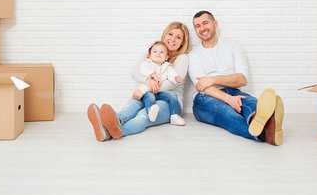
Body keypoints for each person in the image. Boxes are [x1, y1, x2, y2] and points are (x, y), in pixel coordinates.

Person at [188, 10, 284, 145]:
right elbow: (203, 87)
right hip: (205, 99)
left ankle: (265, 121)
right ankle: (265, 133)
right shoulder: (193, 55)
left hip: (234, 92)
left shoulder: (233, 46)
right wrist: (228, 99)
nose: (202, 28)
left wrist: (212, 79)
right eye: (197, 26)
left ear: (215, 24)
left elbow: (241, 79)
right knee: (227, 114)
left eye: (205, 23)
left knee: (251, 104)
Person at [87, 22, 190, 142]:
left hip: (170, 102)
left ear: (182, 42)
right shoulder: (152, 51)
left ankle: (113, 131)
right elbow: (135, 73)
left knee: (143, 115)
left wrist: (145, 87)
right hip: (147, 94)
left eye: (178, 37)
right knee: (129, 109)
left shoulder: (183, 58)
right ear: (164, 34)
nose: (172, 39)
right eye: (170, 34)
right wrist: (147, 80)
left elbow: (172, 83)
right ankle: (107, 127)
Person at [134, 41, 186, 125]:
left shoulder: (167, 66)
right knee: (150, 97)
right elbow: (143, 69)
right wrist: (153, 75)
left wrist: (175, 77)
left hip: (161, 92)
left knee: (172, 96)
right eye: (155, 52)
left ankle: (174, 116)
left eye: (161, 52)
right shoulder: (147, 63)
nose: (158, 54)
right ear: (150, 55)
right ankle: (151, 110)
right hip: (148, 91)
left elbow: (171, 73)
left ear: (166, 57)